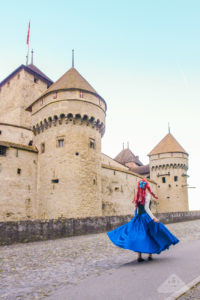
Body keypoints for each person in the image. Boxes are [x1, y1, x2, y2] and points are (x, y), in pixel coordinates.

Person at [107, 178, 179, 262]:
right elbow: (147, 208)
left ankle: (139, 256)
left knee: (138, 236)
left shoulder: (137, 195)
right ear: (147, 186)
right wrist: (153, 218)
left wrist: (136, 217)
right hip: (146, 218)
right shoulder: (147, 195)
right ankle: (149, 255)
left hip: (138, 217)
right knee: (150, 234)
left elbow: (135, 208)